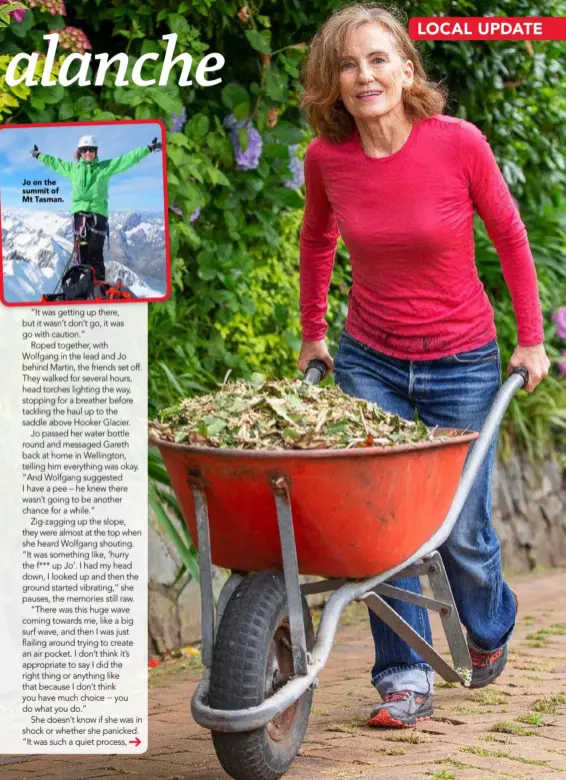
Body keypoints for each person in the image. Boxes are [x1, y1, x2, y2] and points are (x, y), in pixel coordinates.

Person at [297, 3, 550, 728]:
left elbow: (509, 234)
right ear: (334, 82)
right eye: (348, 64)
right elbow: (317, 243)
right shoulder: (328, 160)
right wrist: (313, 332)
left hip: (462, 362)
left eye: (378, 59)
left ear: (408, 70)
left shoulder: (456, 143)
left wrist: (530, 340)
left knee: (461, 530)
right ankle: (403, 673)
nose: (363, 75)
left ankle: (488, 629)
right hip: (370, 359)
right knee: (383, 527)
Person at [30, 133, 162, 282]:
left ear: (96, 152)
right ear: (79, 152)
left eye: (91, 150)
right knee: (80, 254)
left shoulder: (104, 168)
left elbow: (127, 159)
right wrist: (38, 155)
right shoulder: (73, 169)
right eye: (84, 150)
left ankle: (98, 286)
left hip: (98, 215)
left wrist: (148, 149)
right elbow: (54, 163)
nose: (88, 153)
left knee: (95, 254)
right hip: (79, 215)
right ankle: (81, 287)